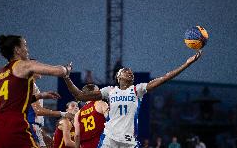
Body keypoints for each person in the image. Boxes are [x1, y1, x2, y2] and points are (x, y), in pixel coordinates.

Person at [64, 51, 202, 148]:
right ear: (118, 77)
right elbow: (79, 96)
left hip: (129, 140)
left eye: (131, 72)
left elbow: (165, 78)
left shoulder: (138, 90)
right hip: (110, 138)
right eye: (125, 71)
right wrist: (66, 77)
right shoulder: (110, 91)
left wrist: (186, 64)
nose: (129, 71)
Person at [0, 35, 69, 148]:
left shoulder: (1, 73)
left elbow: (14, 100)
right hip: (13, 126)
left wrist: (40, 95)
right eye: (25, 45)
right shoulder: (23, 65)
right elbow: (58, 71)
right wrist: (67, 69)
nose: (27, 49)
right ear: (17, 49)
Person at [28, 74, 68, 148]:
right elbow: (38, 111)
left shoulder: (32, 85)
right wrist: (63, 114)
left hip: (34, 126)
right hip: (32, 126)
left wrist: (42, 132)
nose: (41, 71)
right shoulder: (31, 85)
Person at [74, 84, 109, 148]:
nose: (100, 93)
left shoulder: (78, 114)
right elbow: (111, 120)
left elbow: (76, 135)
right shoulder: (101, 104)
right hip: (101, 144)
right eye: (98, 91)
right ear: (93, 93)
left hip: (85, 145)